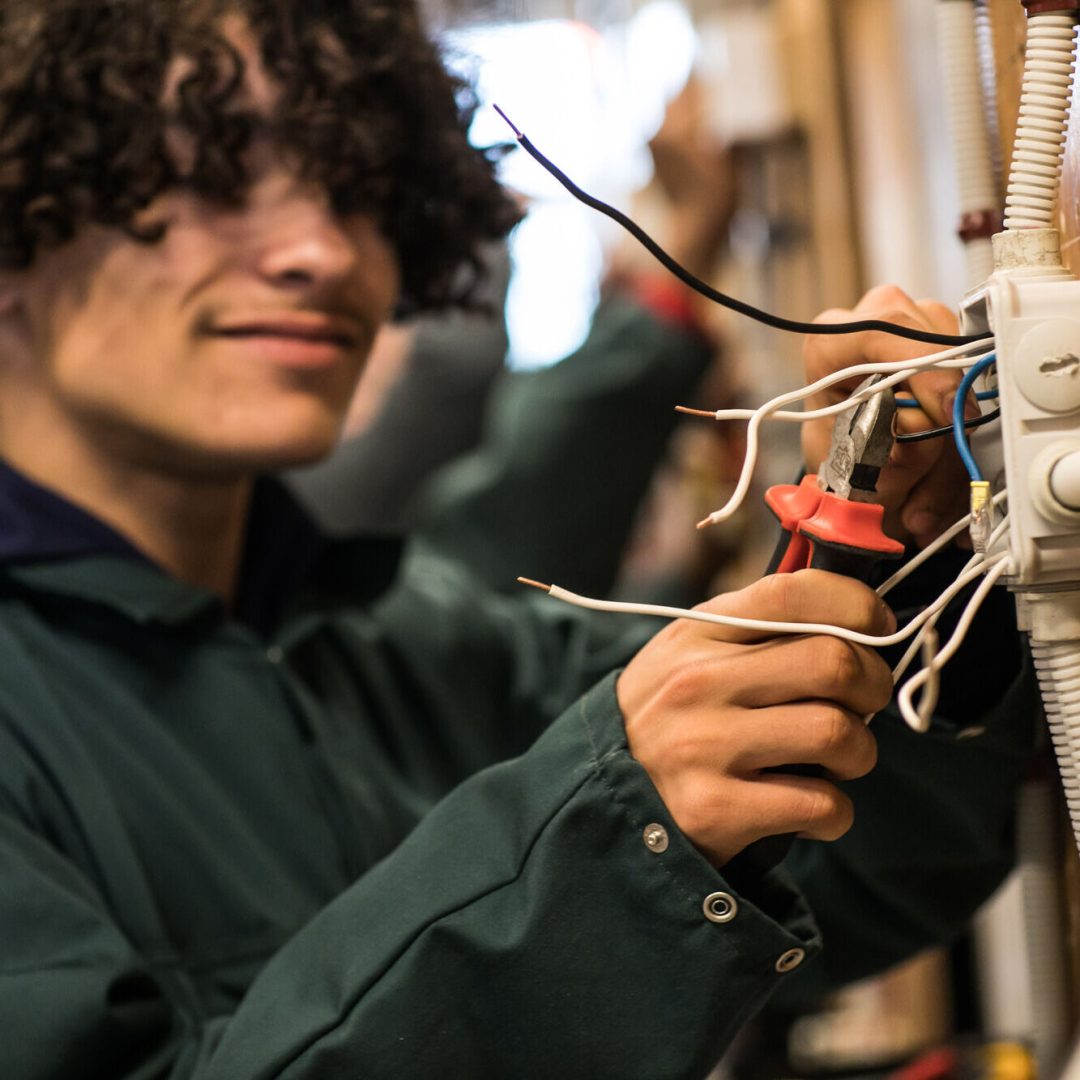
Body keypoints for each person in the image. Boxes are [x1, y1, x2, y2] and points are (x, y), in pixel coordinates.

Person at [0, 3, 1027, 1078]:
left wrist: (916, 553)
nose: (320, 248)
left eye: (357, 184)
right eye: (211, 175)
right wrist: (610, 845)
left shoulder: (402, 640)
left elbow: (861, 866)